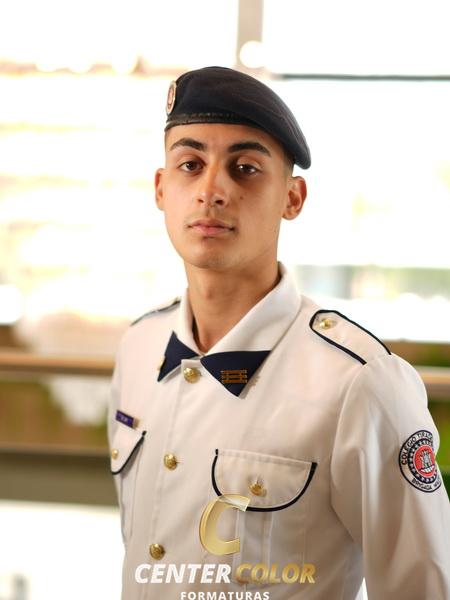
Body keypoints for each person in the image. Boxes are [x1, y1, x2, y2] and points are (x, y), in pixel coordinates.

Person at [108, 66, 450, 600]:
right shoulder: (139, 347)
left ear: (293, 198)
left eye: (245, 168)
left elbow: (423, 589)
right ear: (161, 188)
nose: (211, 190)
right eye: (190, 165)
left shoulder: (360, 382)